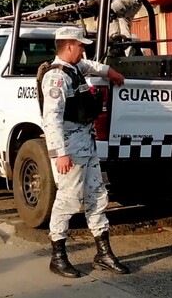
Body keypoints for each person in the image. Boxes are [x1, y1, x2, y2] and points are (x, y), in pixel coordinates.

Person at [39, 26, 129, 278]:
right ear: (69, 46)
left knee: (97, 197)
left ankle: (103, 253)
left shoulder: (75, 68)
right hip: (69, 148)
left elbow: (90, 65)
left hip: (85, 144)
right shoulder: (56, 77)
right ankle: (58, 257)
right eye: (81, 45)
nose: (84, 49)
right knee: (67, 201)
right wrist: (59, 153)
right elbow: (51, 118)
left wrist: (110, 72)